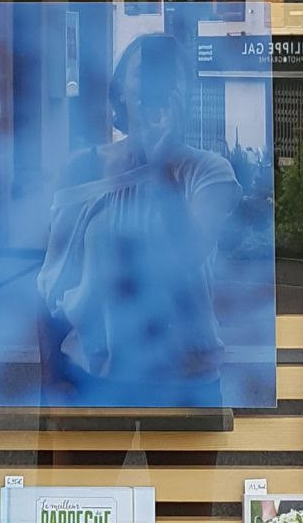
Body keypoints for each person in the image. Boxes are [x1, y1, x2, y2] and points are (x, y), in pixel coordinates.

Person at [37, 32, 241, 406]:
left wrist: (159, 166)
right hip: (93, 376)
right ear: (120, 90)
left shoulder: (208, 172)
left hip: (186, 381)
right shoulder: (83, 168)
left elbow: (187, 257)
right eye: (145, 73)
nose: (157, 85)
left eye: (170, 74)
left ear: (186, 92)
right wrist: (51, 370)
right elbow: (51, 278)